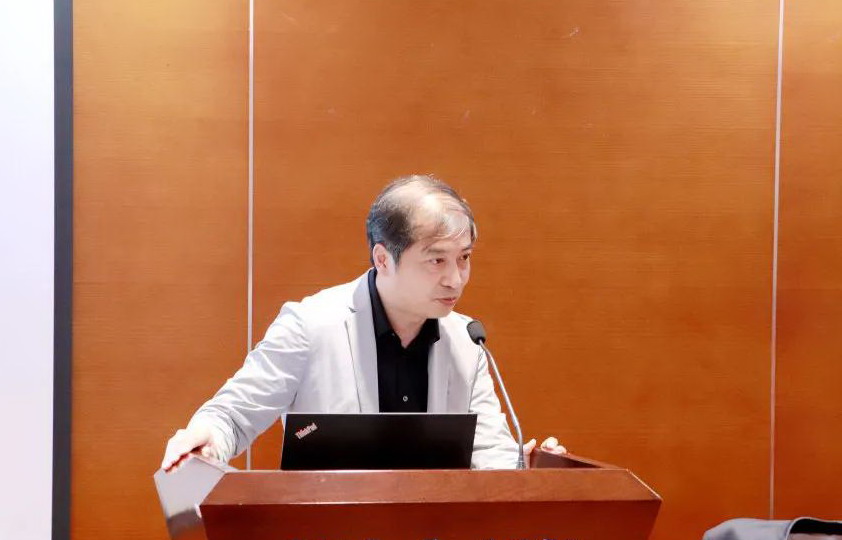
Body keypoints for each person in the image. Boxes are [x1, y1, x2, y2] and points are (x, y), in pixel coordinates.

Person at [161, 174, 566, 472]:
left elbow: (489, 455)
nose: (455, 279)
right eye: (436, 260)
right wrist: (206, 439)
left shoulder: (466, 341)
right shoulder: (309, 325)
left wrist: (527, 470)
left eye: (464, 258)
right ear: (383, 259)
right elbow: (231, 416)